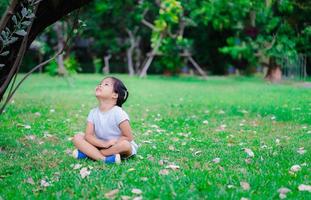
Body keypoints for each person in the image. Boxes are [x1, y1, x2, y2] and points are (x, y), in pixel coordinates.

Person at [72, 76, 138, 164]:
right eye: (100, 84)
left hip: (117, 146)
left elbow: (128, 137)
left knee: (125, 145)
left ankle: (91, 154)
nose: (100, 86)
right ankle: (104, 159)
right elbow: (89, 136)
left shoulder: (118, 113)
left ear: (115, 95)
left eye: (106, 84)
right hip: (100, 144)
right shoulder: (93, 112)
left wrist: (111, 144)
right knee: (78, 137)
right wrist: (103, 144)